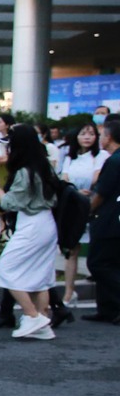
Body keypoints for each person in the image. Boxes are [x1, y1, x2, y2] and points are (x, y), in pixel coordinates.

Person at [0, 122, 65, 340]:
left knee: (5, 269)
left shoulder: (24, 172)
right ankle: (43, 323)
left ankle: (33, 316)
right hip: (46, 223)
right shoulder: (44, 166)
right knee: (40, 276)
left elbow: (10, 203)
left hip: (32, 224)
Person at [59, 121, 108, 306]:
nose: (87, 137)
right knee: (71, 250)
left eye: (91, 134)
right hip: (74, 206)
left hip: (94, 206)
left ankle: (104, 297)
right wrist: (75, 191)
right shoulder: (70, 157)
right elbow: (64, 180)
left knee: (96, 252)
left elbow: (97, 179)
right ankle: (69, 293)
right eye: (83, 133)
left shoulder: (101, 156)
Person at [86, 116, 120, 323]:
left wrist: (87, 210)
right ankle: (108, 309)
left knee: (98, 264)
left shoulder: (113, 161)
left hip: (108, 219)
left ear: (108, 137)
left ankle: (112, 307)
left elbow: (101, 193)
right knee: (112, 264)